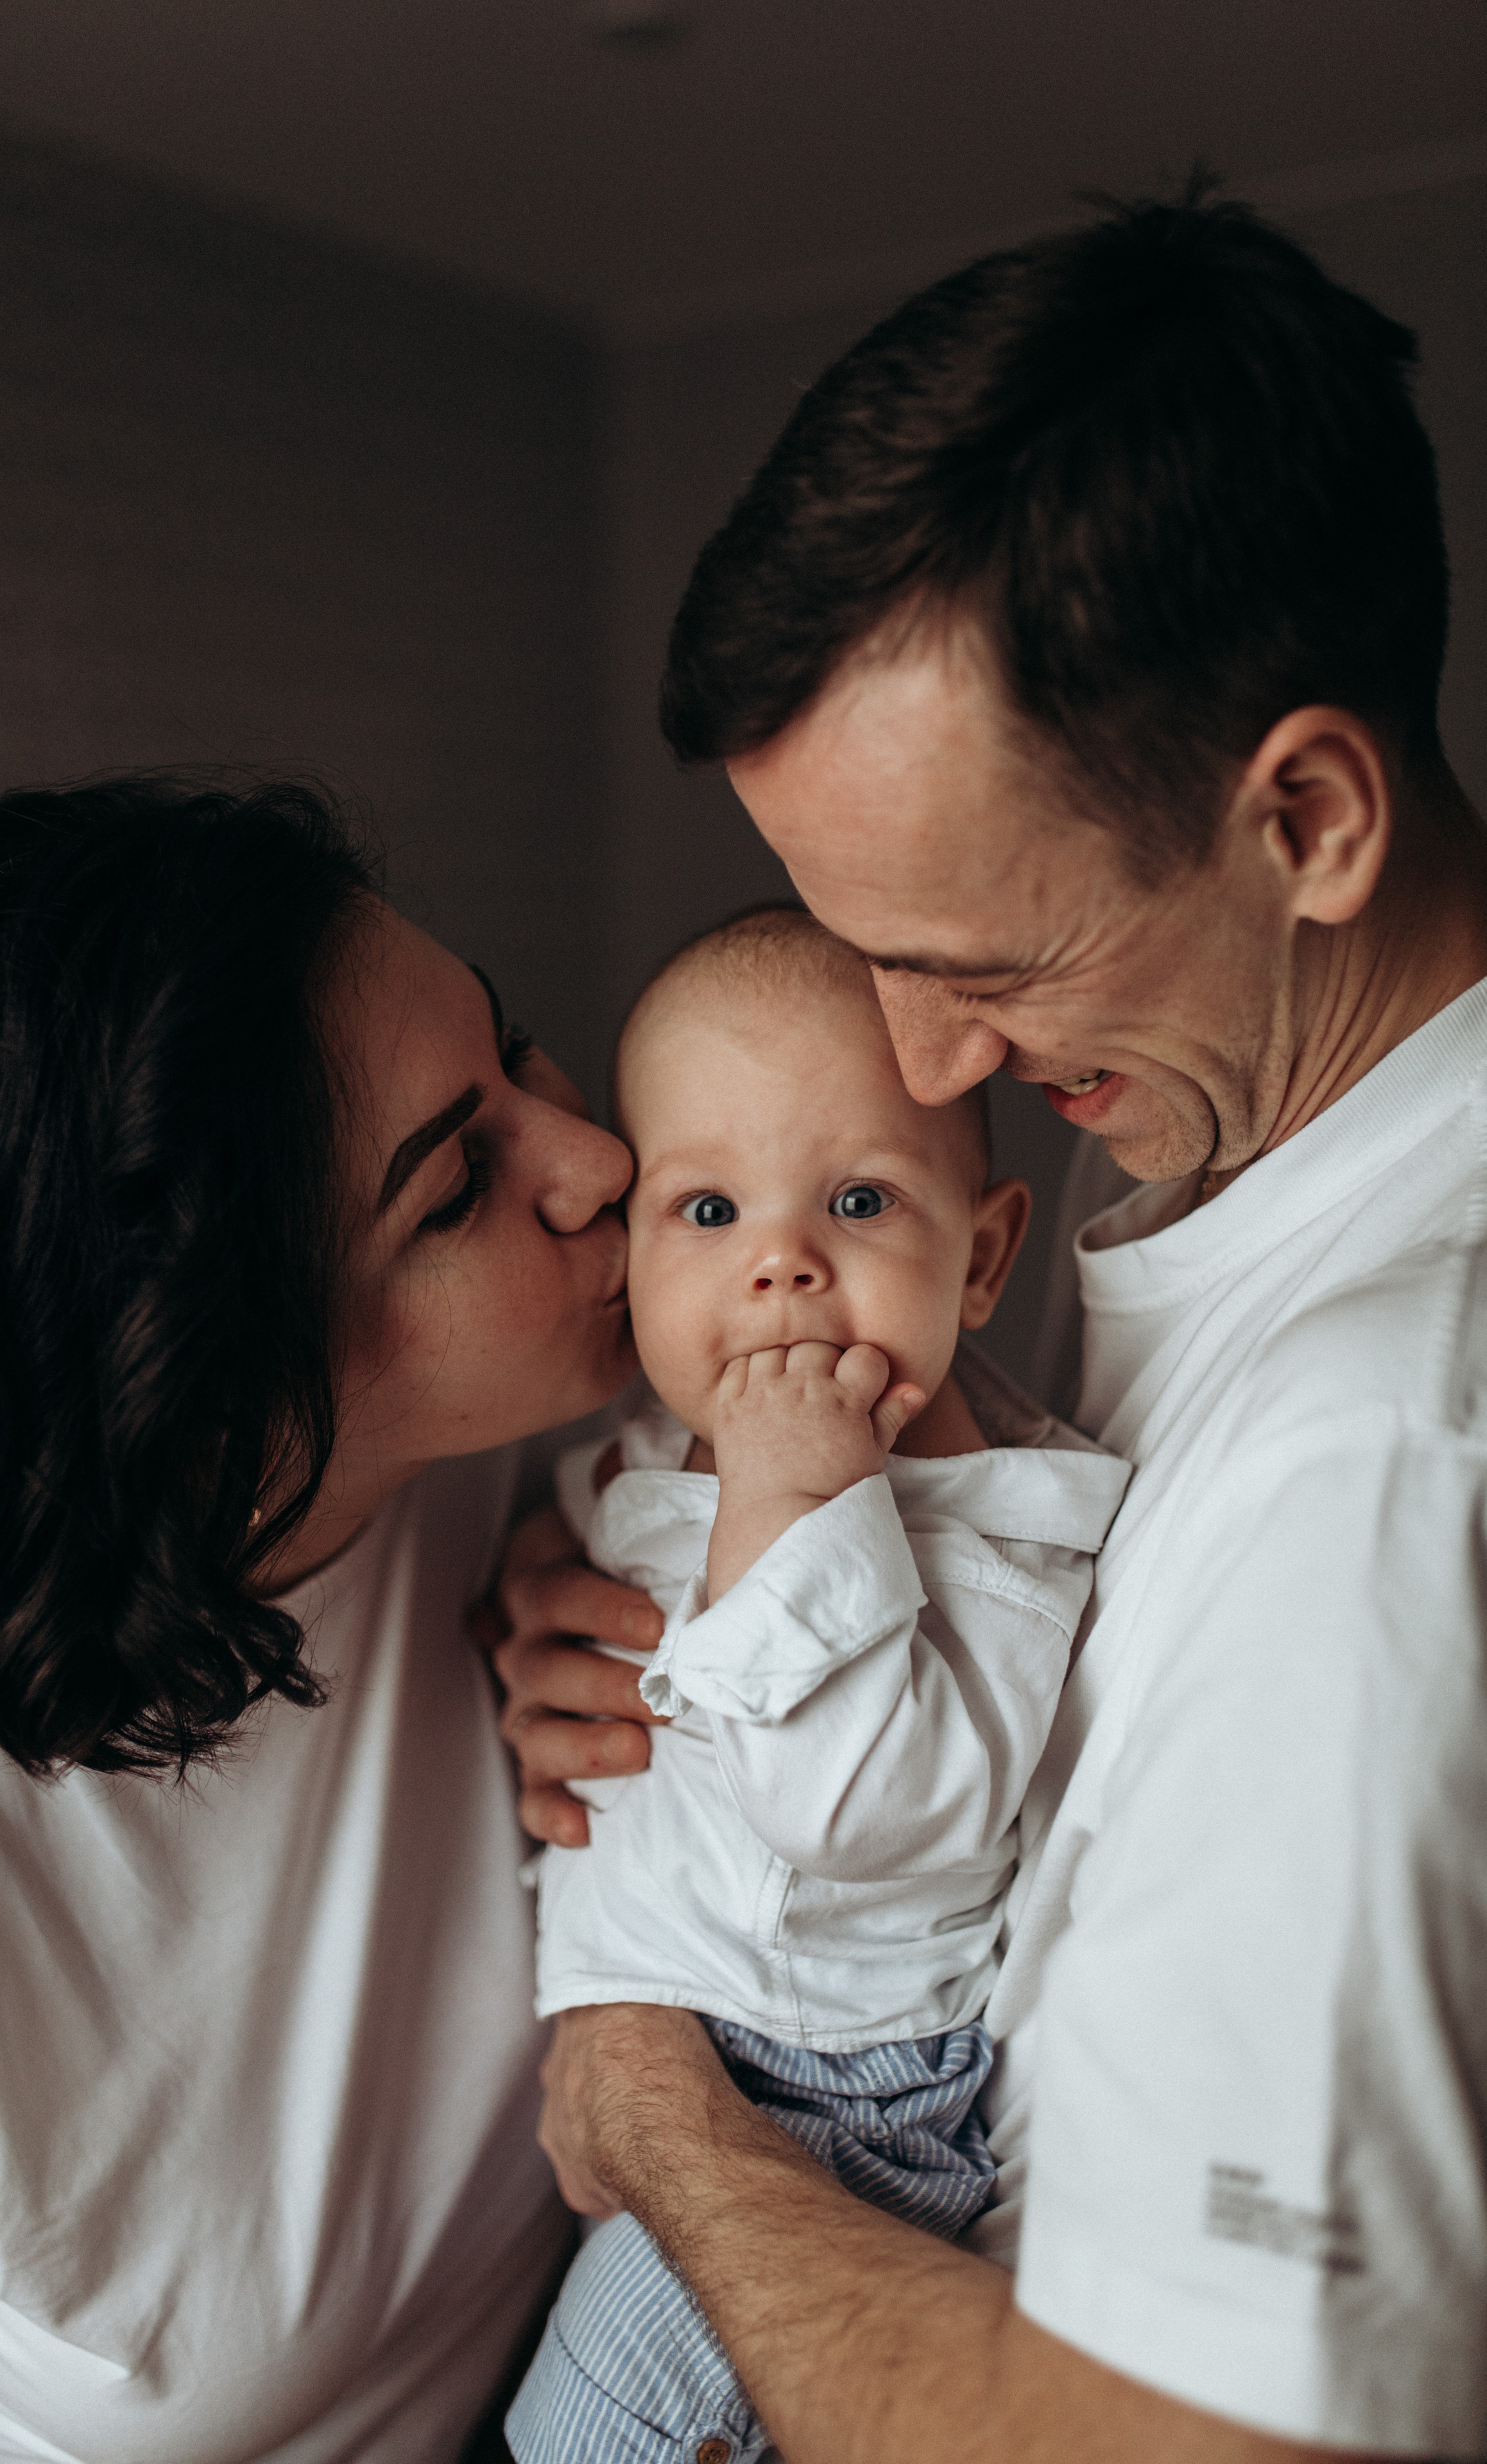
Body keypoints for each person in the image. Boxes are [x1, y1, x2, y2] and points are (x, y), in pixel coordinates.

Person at [492, 193, 1487, 2460]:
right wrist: (679, 1656)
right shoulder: (1196, 1210)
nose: (921, 1067)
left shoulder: (1379, 1451)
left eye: (984, 964)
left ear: (1307, 816)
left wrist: (649, 2100)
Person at [0, 775, 645, 2464]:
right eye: (455, 1190)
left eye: (514, 1047)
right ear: (202, 1397)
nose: (598, 1159)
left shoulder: (522, 1478)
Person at [504, 905, 1130, 2464]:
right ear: (632, 1261)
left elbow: (852, 1814)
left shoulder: (987, 1536)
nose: (780, 1262)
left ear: (978, 1259)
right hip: (703, 2059)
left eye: (855, 1200)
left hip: (821, 2116)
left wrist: (800, 1504)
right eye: (705, 1209)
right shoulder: (666, 1452)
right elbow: (617, 1580)